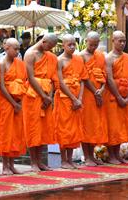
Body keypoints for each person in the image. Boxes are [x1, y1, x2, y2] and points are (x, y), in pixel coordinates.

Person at [23, 33, 58, 172]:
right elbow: (30, 78)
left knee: (44, 130)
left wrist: (49, 97)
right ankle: (33, 162)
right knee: (33, 128)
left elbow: (52, 78)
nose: (50, 50)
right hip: (33, 95)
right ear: (43, 42)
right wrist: (43, 96)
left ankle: (40, 161)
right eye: (50, 46)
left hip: (46, 95)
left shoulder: (51, 57)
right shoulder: (30, 54)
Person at [54, 34, 88, 169]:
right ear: (63, 45)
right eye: (70, 45)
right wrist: (73, 98)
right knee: (64, 129)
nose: (72, 47)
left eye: (74, 44)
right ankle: (63, 160)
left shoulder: (79, 60)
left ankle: (70, 159)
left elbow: (82, 80)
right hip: (64, 98)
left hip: (76, 99)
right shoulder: (59, 60)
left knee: (75, 129)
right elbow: (60, 82)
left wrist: (79, 98)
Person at [105, 31, 128, 164]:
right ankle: (111, 155)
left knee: (122, 126)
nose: (122, 43)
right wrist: (118, 96)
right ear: (113, 41)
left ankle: (117, 154)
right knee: (112, 126)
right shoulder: (108, 58)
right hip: (112, 95)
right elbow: (109, 79)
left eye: (124, 41)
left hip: (125, 95)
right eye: (120, 41)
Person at [0, 38, 27, 175]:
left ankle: (12, 164)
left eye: (18, 48)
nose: (17, 51)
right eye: (14, 49)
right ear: (6, 48)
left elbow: (23, 82)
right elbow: (2, 86)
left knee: (16, 133)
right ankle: (5, 165)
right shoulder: (2, 64)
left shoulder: (20, 64)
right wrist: (13, 102)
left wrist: (19, 101)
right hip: (6, 102)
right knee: (6, 133)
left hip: (18, 101)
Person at [80, 32, 108, 166]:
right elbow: (83, 77)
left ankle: (92, 155)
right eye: (91, 45)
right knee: (87, 124)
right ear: (86, 41)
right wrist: (95, 92)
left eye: (96, 45)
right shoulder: (80, 56)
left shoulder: (100, 56)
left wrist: (101, 90)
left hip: (99, 92)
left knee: (95, 125)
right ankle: (87, 156)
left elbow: (104, 74)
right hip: (87, 93)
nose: (93, 47)